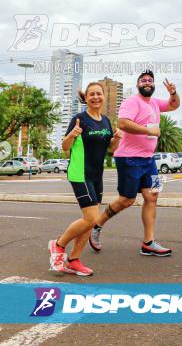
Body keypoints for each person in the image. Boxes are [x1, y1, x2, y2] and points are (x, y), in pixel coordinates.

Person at [90, 70, 179, 256]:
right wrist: (150, 131)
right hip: (128, 158)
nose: (147, 82)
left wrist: (172, 93)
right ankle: (97, 225)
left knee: (153, 196)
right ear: (138, 84)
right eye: (143, 80)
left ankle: (148, 242)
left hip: (149, 160)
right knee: (127, 200)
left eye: (150, 80)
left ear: (153, 85)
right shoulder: (132, 101)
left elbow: (174, 105)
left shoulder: (154, 103)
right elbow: (122, 123)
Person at [48, 82, 122, 275]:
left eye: (99, 94)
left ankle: (73, 260)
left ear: (104, 96)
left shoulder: (106, 121)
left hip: (97, 175)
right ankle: (58, 245)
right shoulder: (79, 119)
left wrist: (116, 140)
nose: (95, 97)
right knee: (91, 218)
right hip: (79, 173)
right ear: (86, 98)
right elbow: (65, 147)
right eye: (91, 95)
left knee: (90, 220)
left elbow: (110, 150)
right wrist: (71, 135)